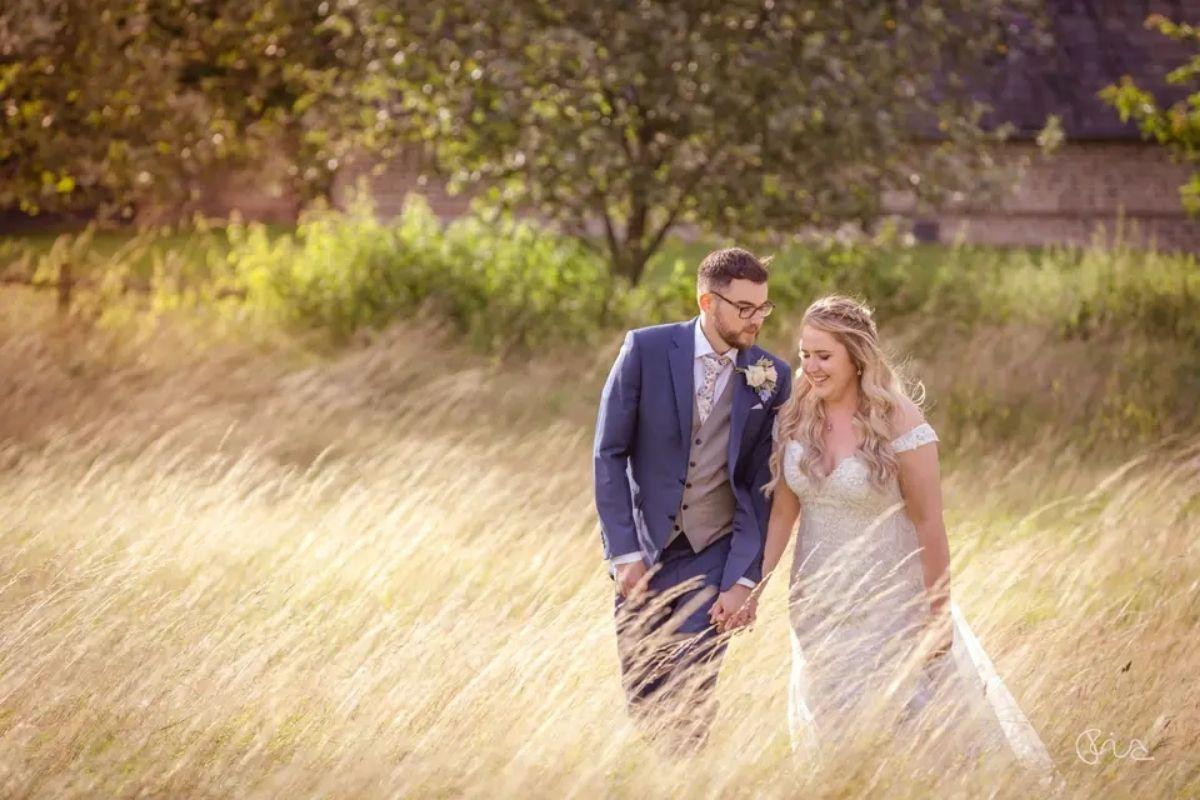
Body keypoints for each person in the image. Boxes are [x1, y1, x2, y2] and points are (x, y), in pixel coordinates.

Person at [736, 295, 1054, 774]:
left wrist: (937, 615)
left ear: (857, 357)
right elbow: (783, 514)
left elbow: (930, 523)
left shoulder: (900, 420)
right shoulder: (795, 415)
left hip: (891, 606)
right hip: (817, 605)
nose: (810, 367)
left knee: (912, 739)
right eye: (805, 354)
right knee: (837, 737)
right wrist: (751, 586)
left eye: (824, 356)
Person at [592, 247, 792, 755]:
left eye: (763, 308)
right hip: (645, 553)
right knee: (643, 695)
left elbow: (760, 486)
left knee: (693, 691)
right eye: (744, 308)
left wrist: (745, 578)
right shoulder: (645, 350)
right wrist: (624, 553)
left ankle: (690, 779)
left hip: (714, 554)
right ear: (707, 300)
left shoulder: (772, 375)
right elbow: (609, 454)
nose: (756, 320)